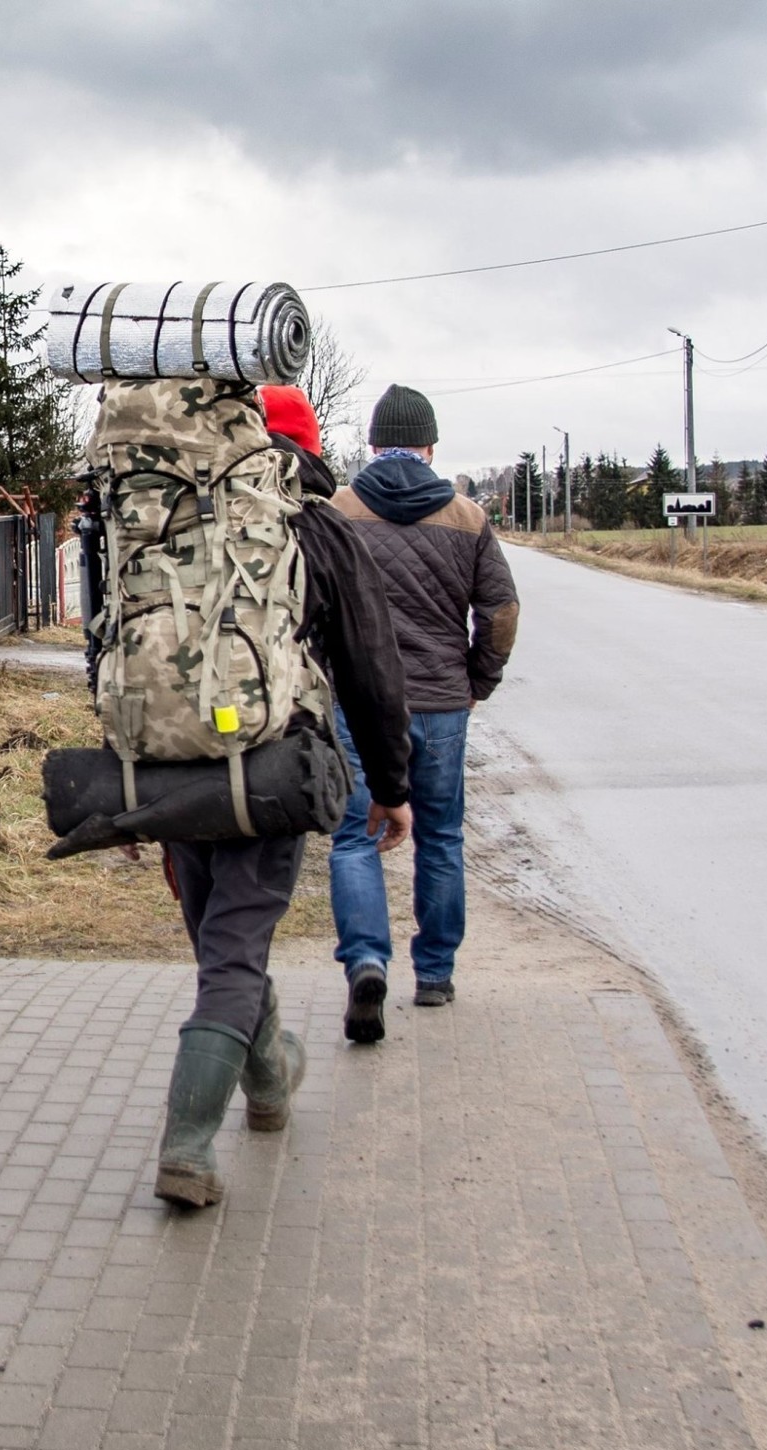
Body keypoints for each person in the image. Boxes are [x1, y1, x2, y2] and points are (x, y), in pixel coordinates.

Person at [148, 383, 412, 1207]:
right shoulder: (317, 524)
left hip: (174, 764)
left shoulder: (168, 512)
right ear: (309, 444)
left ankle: (269, 1083)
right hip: (269, 768)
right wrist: (392, 784)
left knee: (223, 942)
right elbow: (370, 662)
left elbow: (119, 642)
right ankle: (186, 1148)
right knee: (232, 952)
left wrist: (131, 784)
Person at [329, 384, 519, 1042]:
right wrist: (477, 681)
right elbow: (499, 612)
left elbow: (314, 607)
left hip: (358, 702)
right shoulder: (467, 518)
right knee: (440, 835)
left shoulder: (340, 510)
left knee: (355, 837)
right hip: (440, 704)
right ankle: (434, 972)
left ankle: (366, 962)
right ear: (431, 447)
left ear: (375, 443)